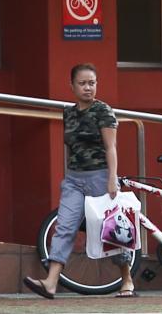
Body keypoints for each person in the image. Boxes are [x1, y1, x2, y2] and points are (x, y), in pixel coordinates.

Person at [23, 63, 136, 299]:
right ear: (72, 85)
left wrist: (112, 179)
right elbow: (70, 147)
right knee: (64, 227)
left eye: (92, 83)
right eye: (82, 83)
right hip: (74, 179)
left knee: (111, 229)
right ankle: (51, 283)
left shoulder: (103, 111)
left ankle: (126, 279)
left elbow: (111, 147)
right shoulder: (69, 112)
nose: (88, 88)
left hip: (100, 177)